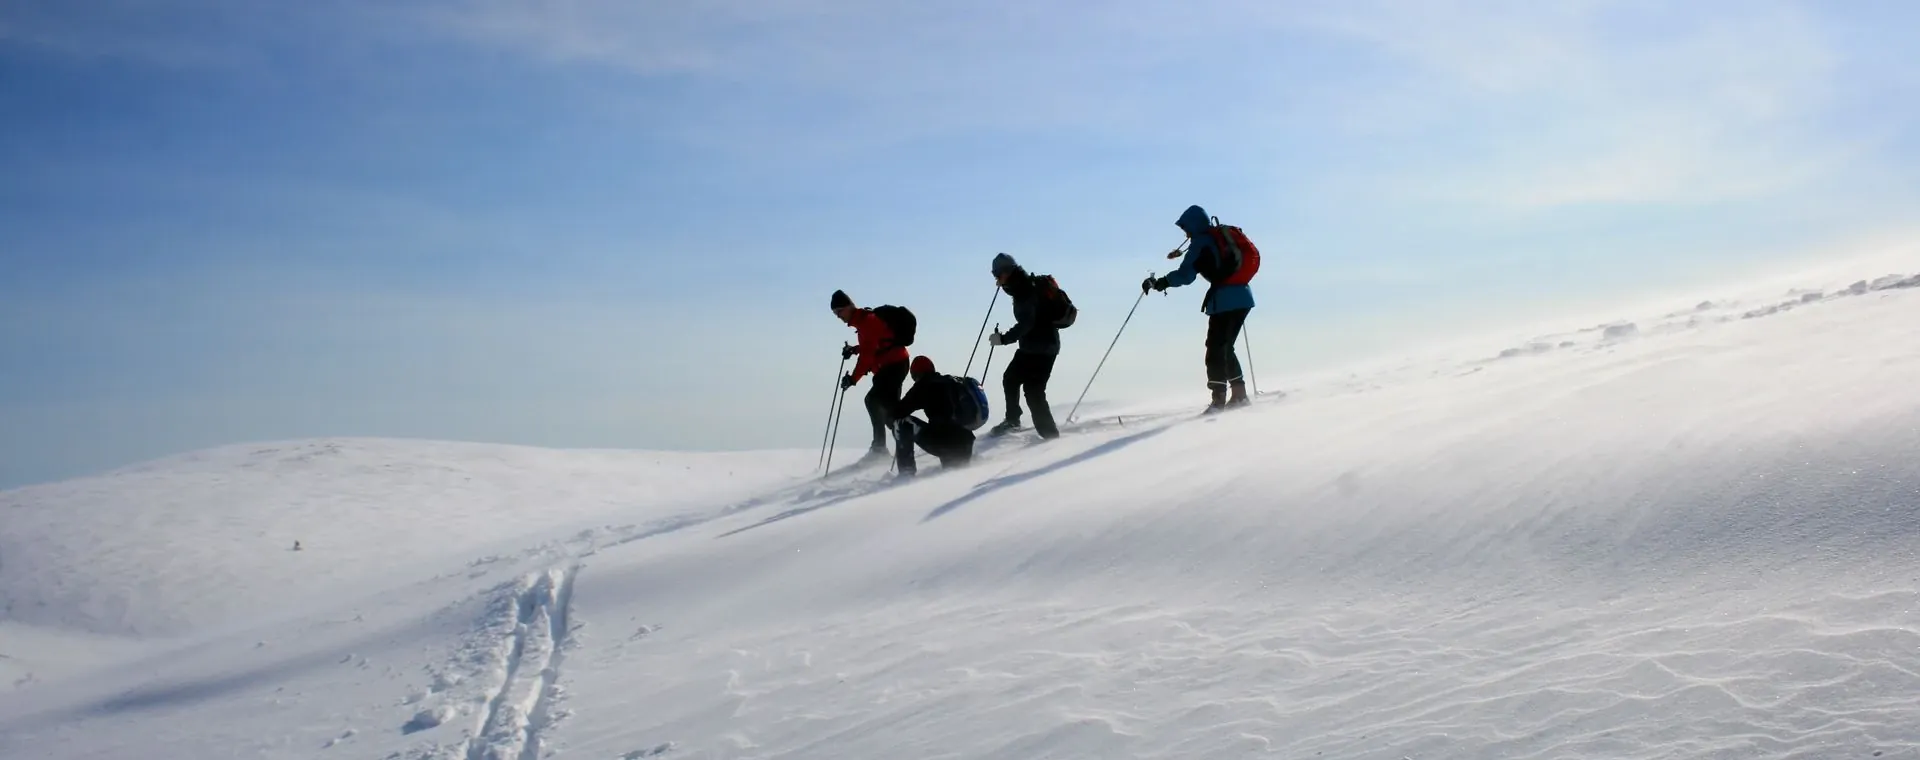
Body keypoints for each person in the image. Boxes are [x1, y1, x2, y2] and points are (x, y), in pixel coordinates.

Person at [1143, 204, 1255, 413]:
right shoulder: (1216, 237)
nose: (1184, 232)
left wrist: (1160, 283)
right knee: (1225, 347)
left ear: (1192, 226)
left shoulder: (1201, 243)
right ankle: (1239, 395)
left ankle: (1218, 402)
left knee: (1214, 349)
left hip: (1224, 300)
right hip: (1243, 296)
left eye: (1185, 228)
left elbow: (1186, 276)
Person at [985, 253, 1061, 439]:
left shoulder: (1025, 290)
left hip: (1041, 348)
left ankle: (1051, 437)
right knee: (1010, 378)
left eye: (997, 275)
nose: (996, 280)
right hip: (1034, 347)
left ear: (1007, 272)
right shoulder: (1022, 287)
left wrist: (1003, 339)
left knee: (1033, 391)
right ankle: (1013, 420)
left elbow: (1027, 324)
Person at [831, 289, 910, 462]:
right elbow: (875, 345)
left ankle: (881, 448)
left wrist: (853, 379)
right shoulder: (863, 322)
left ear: (849, 306)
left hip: (893, 366)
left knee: (874, 401)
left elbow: (867, 356)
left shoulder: (867, 322)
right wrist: (854, 350)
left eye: (839, 311)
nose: (838, 316)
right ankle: (905, 443)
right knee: (891, 411)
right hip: (893, 365)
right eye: (835, 313)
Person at [890, 356, 976, 477]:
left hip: (944, 442)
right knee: (954, 476)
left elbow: (898, 412)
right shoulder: (951, 381)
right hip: (966, 442)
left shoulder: (923, 385)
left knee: (903, 423)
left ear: (915, 374)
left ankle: (906, 474)